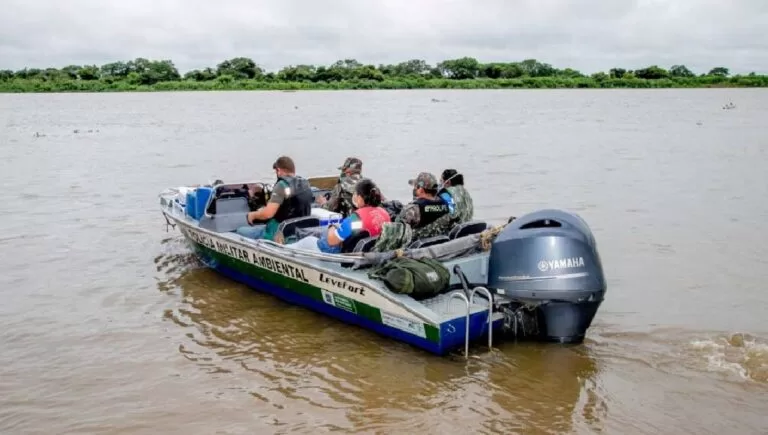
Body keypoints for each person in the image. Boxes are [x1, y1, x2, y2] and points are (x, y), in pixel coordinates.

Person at [290, 178, 390, 253]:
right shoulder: (385, 214)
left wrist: (332, 227)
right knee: (322, 231)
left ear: (359, 198)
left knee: (308, 241)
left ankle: (285, 248)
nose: (353, 196)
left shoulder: (356, 220)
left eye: (355, 193)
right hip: (365, 250)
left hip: (339, 251)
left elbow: (331, 241)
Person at [236, 156, 313, 240]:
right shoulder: (305, 183)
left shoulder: (281, 185)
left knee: (239, 230)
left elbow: (268, 214)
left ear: (279, 171)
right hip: (300, 231)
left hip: (279, 233)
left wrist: (253, 215)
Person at [395, 172, 453, 239]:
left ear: (421, 190)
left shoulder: (412, 210)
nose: (414, 189)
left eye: (415, 187)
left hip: (417, 245)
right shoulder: (446, 205)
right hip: (439, 241)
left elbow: (398, 235)